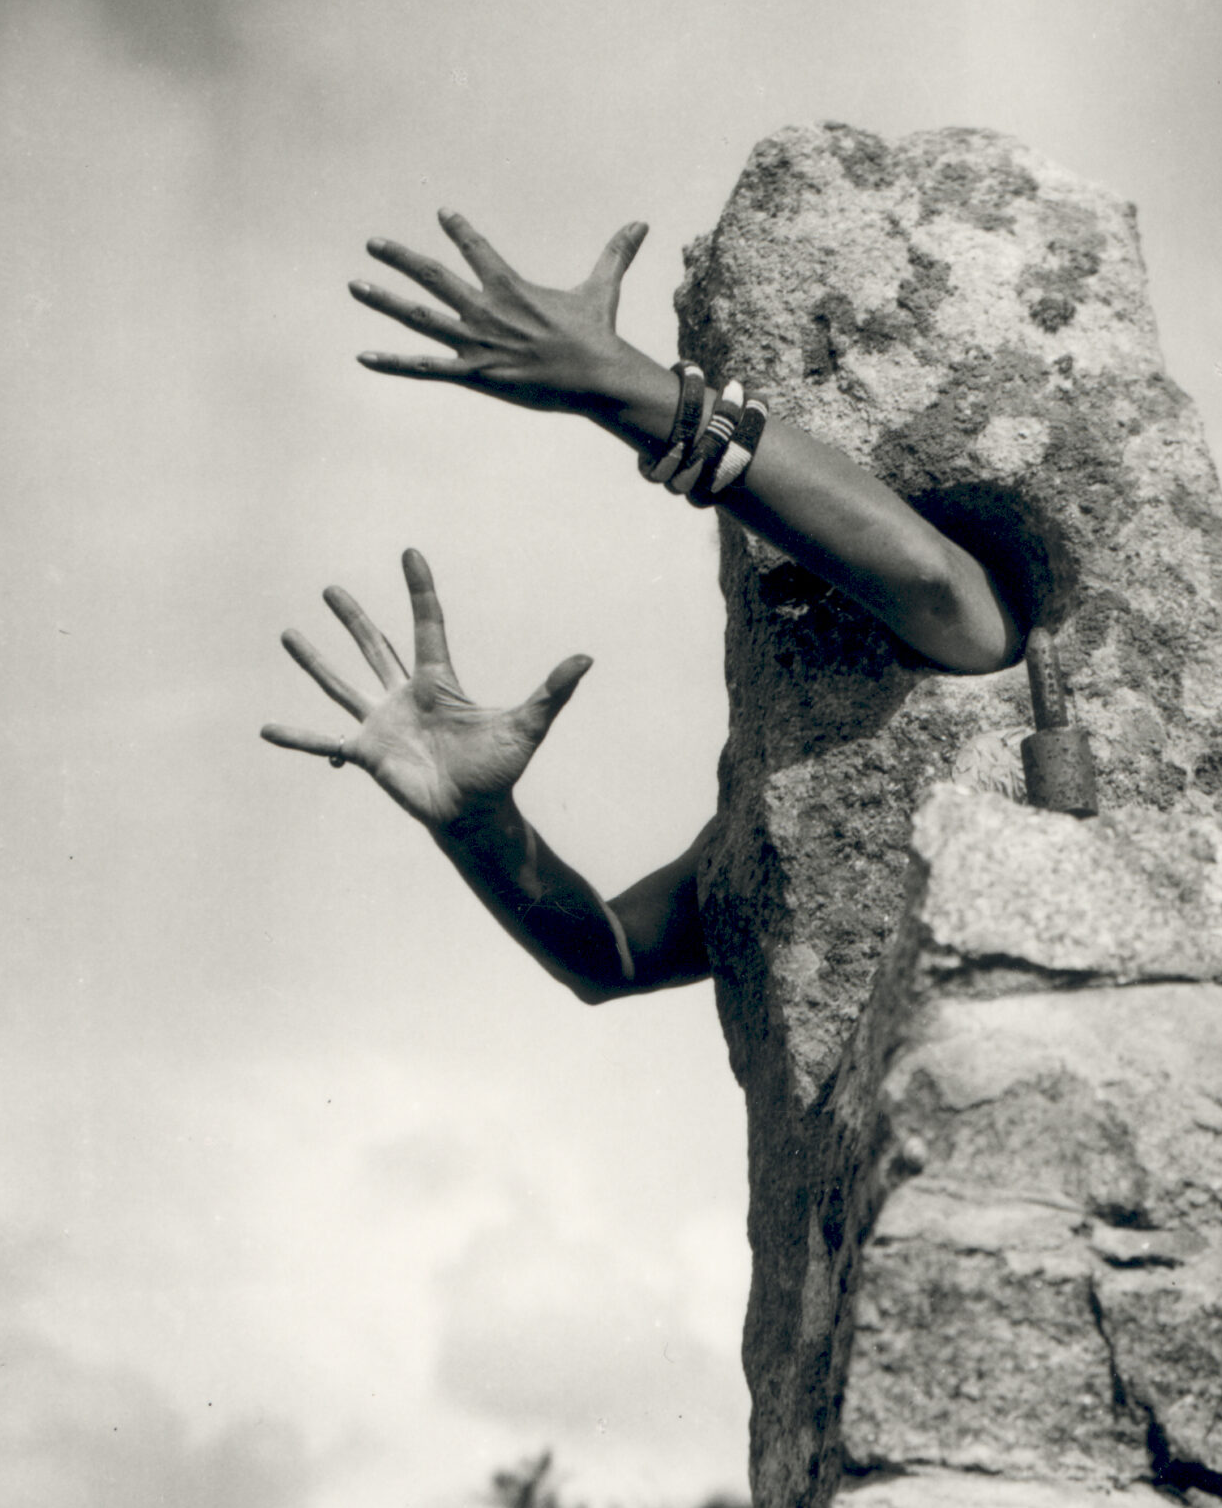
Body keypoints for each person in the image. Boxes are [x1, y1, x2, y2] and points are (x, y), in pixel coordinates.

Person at [261, 211, 1026, 1003]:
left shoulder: (987, 667)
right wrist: (475, 828)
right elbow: (609, 959)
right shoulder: (786, 806)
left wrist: (620, 384)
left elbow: (934, 584)